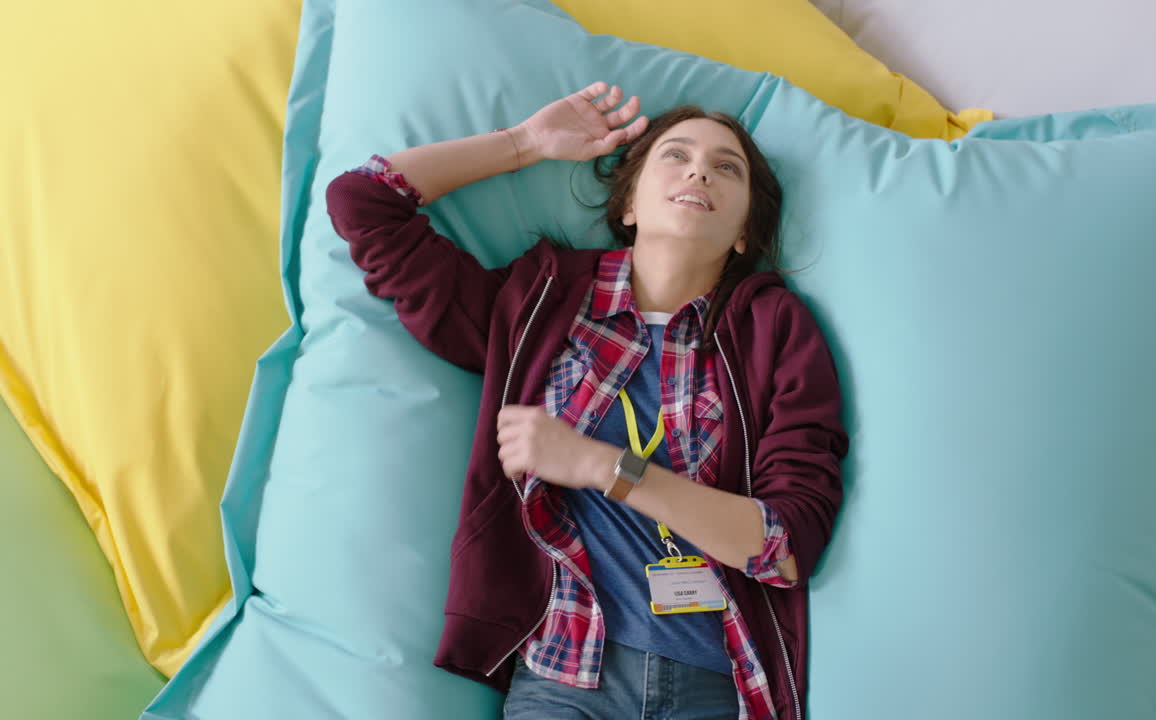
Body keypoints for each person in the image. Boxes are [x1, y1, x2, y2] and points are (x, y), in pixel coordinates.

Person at [325, 81, 849, 720]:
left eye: (726, 168)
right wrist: (523, 144)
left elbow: (785, 549)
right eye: (676, 156)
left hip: (718, 682)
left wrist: (602, 467)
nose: (699, 173)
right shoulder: (537, 302)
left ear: (745, 232)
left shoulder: (775, 329)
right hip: (564, 680)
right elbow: (364, 200)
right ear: (629, 203)